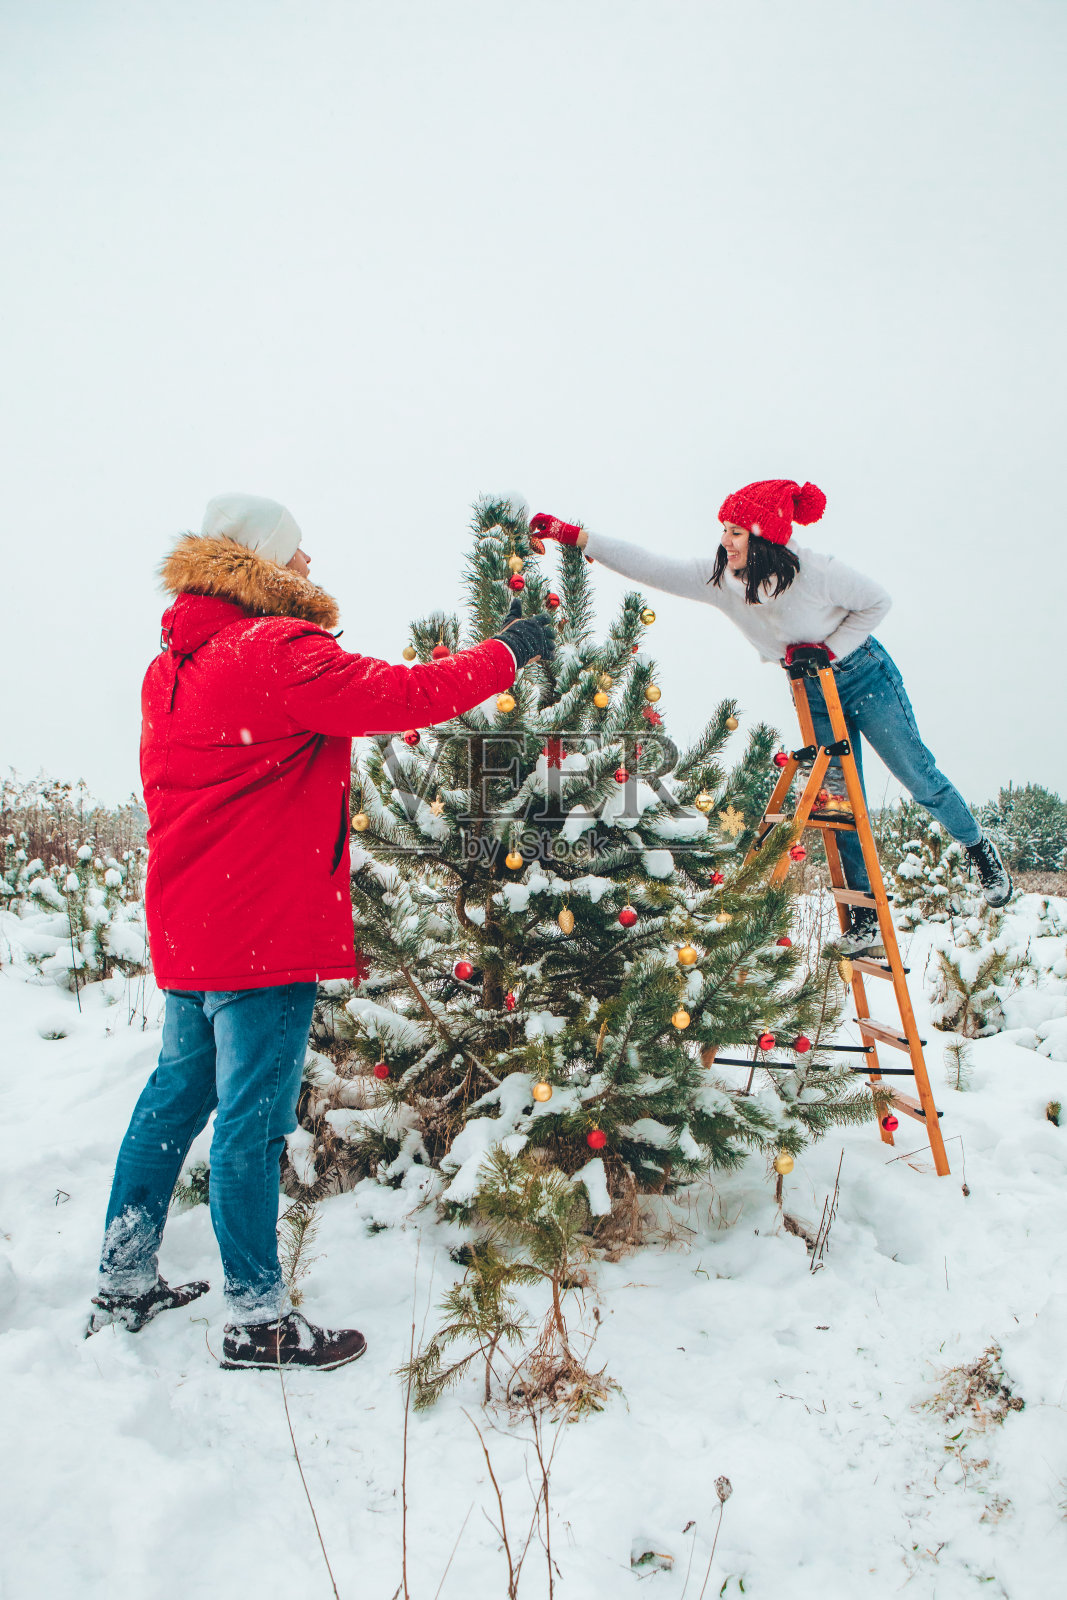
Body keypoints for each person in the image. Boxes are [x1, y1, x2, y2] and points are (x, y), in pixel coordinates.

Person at [89, 493, 554, 1370]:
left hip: (192, 925)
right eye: (296, 553)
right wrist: (506, 654)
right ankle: (257, 1319)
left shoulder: (173, 667)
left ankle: (123, 1279)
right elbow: (407, 695)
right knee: (251, 1127)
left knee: (174, 1104)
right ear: (263, 562)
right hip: (258, 931)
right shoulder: (271, 650)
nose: (310, 565)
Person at [529, 481, 1011, 954]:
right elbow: (654, 566)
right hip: (813, 691)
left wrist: (828, 649)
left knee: (917, 775)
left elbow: (877, 603)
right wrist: (579, 537)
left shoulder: (819, 573)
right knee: (841, 799)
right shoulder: (724, 582)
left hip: (865, 675)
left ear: (765, 536)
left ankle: (978, 850)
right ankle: (864, 917)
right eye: (724, 529)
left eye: (736, 531)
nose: (725, 541)